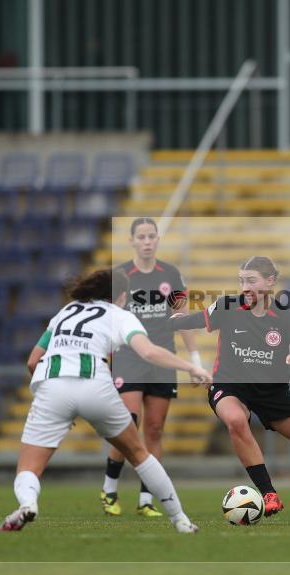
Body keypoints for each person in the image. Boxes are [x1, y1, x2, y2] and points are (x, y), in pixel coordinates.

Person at [0, 269, 212, 534]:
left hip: (52, 385)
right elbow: (148, 352)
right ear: (121, 296)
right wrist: (190, 367)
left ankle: (29, 503)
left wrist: (56, 404)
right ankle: (180, 520)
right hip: (95, 383)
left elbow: (33, 361)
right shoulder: (120, 315)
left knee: (28, 468)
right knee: (139, 454)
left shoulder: (64, 313)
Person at [169, 256, 290, 525]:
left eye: (251, 280)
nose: (245, 286)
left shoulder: (285, 314)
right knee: (235, 420)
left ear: (270, 281)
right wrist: (165, 322)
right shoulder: (228, 306)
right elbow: (192, 320)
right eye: (242, 280)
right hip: (230, 385)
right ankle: (268, 493)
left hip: (272, 392)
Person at [101, 217, 202, 518]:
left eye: (151, 236)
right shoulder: (120, 275)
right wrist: (104, 360)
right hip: (128, 358)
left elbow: (182, 317)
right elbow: (107, 322)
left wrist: (194, 359)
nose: (147, 241)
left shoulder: (171, 274)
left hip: (161, 359)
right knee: (128, 424)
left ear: (158, 240)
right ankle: (109, 490)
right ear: (131, 241)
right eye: (141, 237)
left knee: (155, 431)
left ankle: (146, 499)